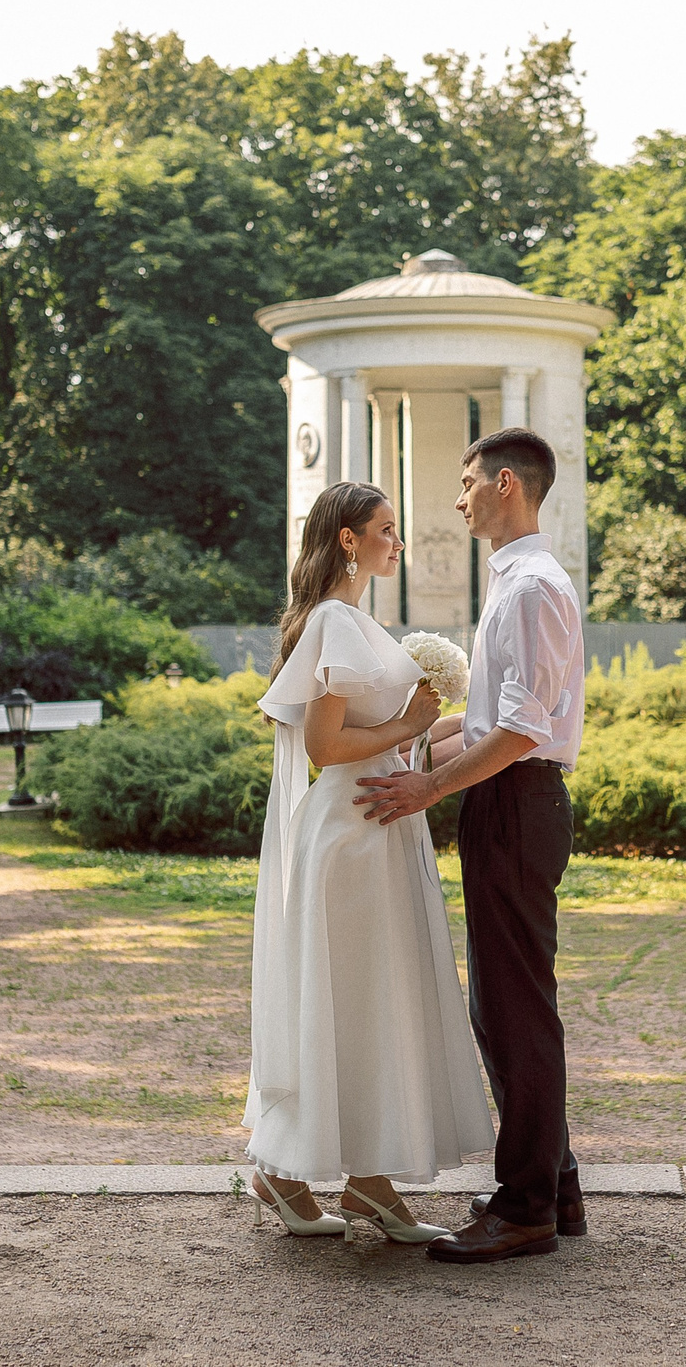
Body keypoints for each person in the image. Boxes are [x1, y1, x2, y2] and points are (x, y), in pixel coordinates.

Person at [357, 426, 585, 1265]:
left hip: (517, 805)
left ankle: (526, 1206)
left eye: (467, 483)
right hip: (511, 801)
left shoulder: (529, 588)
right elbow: (496, 718)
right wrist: (423, 742)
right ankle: (554, 1187)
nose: (457, 499)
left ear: (509, 485)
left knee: (511, 1006)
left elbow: (524, 731)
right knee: (513, 1001)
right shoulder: (521, 581)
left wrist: (428, 785)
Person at [244, 480, 494, 1242]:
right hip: (351, 836)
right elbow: (325, 749)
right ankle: (320, 1177)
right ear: (348, 539)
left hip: (377, 830)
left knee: (367, 1001)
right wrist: (412, 722)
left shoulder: (353, 620)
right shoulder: (335, 621)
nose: (399, 541)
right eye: (386, 529)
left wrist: (473, 729)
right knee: (355, 998)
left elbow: (392, 732)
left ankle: (349, 1183)